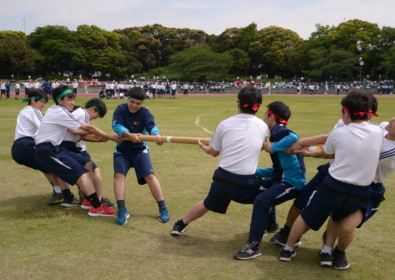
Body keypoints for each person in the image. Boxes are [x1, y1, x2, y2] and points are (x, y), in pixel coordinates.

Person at [279, 90, 383, 268]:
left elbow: (326, 152)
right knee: (337, 217)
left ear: (346, 112)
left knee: (307, 216)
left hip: (334, 186)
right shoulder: (378, 132)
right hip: (360, 191)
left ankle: (287, 248)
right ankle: (327, 251)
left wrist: (306, 152)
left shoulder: (340, 132)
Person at [171, 87, 269, 237]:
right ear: (258, 106)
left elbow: (214, 152)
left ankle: (180, 224)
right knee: (270, 195)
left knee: (207, 203)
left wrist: (204, 147)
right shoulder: (263, 127)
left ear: (239, 103)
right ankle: (267, 226)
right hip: (246, 183)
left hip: (222, 178)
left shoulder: (224, 123)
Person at [233, 101, 306, 260]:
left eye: (265, 115)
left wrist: (273, 147)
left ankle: (253, 246)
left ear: (271, 117)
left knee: (262, 200)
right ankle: (271, 225)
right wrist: (252, 171)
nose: (263, 118)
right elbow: (279, 169)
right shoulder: (276, 133)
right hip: (280, 177)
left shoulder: (278, 131)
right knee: (257, 190)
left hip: (292, 183)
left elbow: (294, 136)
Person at [35, 85, 120, 215]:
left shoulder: (60, 110)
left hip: (56, 149)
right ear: (60, 100)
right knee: (81, 173)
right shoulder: (59, 112)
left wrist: (100, 138)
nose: (73, 102)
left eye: (73, 99)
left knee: (86, 164)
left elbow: (80, 131)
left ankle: (88, 201)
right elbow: (88, 129)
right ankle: (96, 207)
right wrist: (110, 137)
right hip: (46, 151)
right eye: (69, 99)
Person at [112, 87, 170, 225]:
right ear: (127, 99)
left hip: (140, 150)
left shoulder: (145, 113)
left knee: (150, 176)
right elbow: (117, 126)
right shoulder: (120, 109)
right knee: (119, 175)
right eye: (132, 102)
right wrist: (129, 135)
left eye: (138, 103)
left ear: (142, 103)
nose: (134, 106)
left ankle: (163, 208)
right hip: (122, 151)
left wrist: (156, 136)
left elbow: (151, 126)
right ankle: (121, 210)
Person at [59, 99, 116, 209]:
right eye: (96, 115)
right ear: (93, 109)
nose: (94, 118)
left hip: (65, 145)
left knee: (85, 171)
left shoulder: (77, 113)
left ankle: (89, 198)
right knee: (94, 170)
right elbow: (78, 130)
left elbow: (81, 135)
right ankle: (95, 200)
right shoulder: (83, 113)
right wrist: (105, 135)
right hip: (69, 146)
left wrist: (98, 139)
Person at [11, 89, 64, 204]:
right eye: (42, 102)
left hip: (17, 149)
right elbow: (44, 126)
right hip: (26, 145)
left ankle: (57, 191)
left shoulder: (24, 110)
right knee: (51, 164)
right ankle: (60, 192)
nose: (44, 105)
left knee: (44, 166)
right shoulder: (33, 111)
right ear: (33, 100)